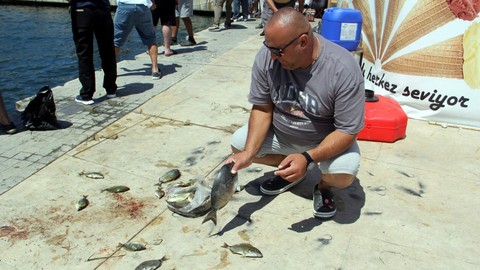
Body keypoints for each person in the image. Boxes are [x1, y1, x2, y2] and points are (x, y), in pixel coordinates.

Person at [227, 7, 365, 219]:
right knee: (239, 145)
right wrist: (248, 153)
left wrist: (308, 158)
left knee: (343, 173)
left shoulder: (342, 68)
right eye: (268, 47)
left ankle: (324, 186)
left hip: (322, 142)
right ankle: (289, 171)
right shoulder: (267, 56)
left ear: (302, 42)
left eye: (278, 51)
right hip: (283, 135)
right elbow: (262, 108)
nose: (272, 57)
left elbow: (347, 130)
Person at [69, 0, 117, 105]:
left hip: (82, 10)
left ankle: (87, 94)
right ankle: (111, 88)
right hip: (103, 10)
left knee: (84, 53)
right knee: (107, 50)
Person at [114, 0, 162, 79]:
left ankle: (112, 71)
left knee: (116, 41)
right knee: (151, 39)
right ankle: (155, 70)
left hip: (124, 6)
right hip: (142, 6)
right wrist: (153, 3)